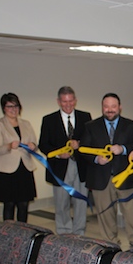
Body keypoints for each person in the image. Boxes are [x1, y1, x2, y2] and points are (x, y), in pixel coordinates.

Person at [81, 93, 133, 247]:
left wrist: (122, 149)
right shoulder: (90, 126)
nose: (110, 110)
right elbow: (83, 150)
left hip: (126, 178)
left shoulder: (130, 125)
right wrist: (97, 159)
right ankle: (110, 244)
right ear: (102, 107)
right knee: (106, 215)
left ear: (120, 107)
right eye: (106, 106)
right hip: (100, 178)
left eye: (113, 106)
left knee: (131, 214)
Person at [38, 86, 92, 235]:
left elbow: (91, 141)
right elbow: (43, 144)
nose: (68, 105)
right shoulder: (49, 120)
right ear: (58, 101)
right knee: (62, 203)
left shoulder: (85, 117)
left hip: (81, 167)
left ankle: (79, 232)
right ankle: (64, 232)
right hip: (60, 168)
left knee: (81, 202)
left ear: (75, 100)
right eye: (64, 102)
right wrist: (57, 154)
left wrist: (80, 144)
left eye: (71, 101)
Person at [0, 93, 37, 222]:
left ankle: (23, 233)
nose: (13, 109)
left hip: (24, 168)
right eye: (10, 106)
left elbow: (34, 143)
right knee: (9, 204)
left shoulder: (26, 124)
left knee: (24, 204)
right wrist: (9, 145)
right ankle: (8, 233)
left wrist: (33, 146)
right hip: (6, 170)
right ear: (4, 108)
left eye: (16, 106)